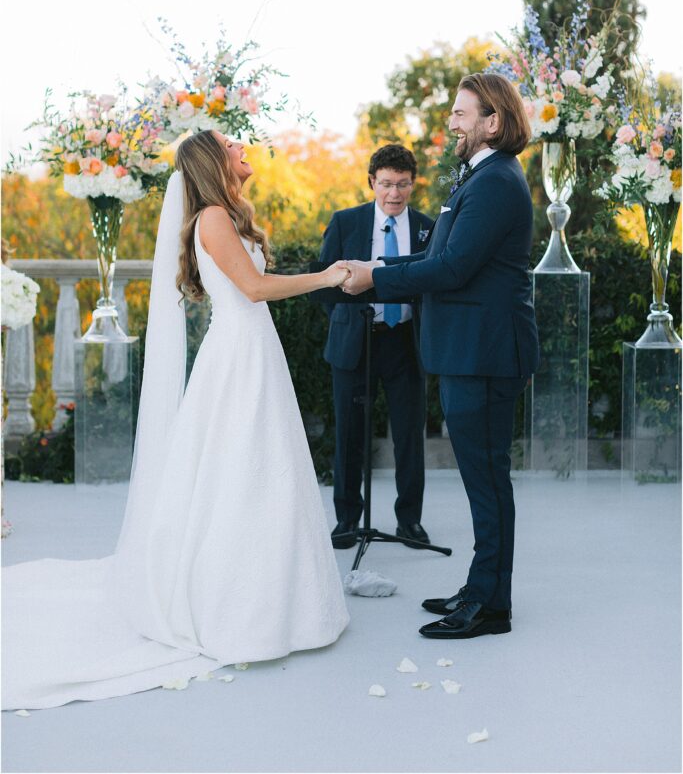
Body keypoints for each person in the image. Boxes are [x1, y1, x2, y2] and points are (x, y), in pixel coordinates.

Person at [2, 129, 350, 710]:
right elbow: (255, 287)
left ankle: (282, 600)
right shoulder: (212, 217)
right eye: (234, 146)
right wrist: (328, 276)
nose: (245, 150)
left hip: (254, 351)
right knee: (240, 472)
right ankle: (233, 606)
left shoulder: (231, 214)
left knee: (267, 470)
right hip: (238, 355)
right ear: (215, 163)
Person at [342, 73, 539, 639]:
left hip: (484, 355)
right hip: (467, 353)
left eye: (460, 112)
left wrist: (374, 274)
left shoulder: (497, 181)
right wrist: (377, 272)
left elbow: (451, 270)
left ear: (491, 122)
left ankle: (491, 606)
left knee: (486, 480)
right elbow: (440, 258)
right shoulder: (479, 179)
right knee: (482, 479)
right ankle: (481, 589)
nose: (451, 122)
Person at [319, 144, 434, 550]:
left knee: (409, 435)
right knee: (349, 435)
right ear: (372, 183)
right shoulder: (345, 222)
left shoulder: (427, 227)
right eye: (386, 184)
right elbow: (324, 284)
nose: (394, 194)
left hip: (405, 342)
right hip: (355, 341)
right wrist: (350, 318)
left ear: (412, 184)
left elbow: (433, 284)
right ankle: (347, 520)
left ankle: (410, 522)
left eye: (402, 185)